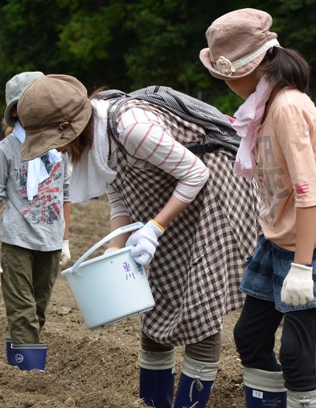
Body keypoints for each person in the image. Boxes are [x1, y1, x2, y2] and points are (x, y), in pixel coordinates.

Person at [16, 75, 262, 407]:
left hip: (212, 199)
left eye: (51, 141)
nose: (53, 149)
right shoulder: (99, 139)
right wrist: (113, 253)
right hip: (168, 201)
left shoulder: (131, 127)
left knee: (198, 311)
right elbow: (121, 201)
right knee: (152, 311)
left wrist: (155, 228)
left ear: (68, 126)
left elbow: (195, 174)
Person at [200, 8, 316, 408]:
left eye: (225, 76)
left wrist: (304, 267)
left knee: (295, 353)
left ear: (249, 69)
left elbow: (307, 193)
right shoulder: (262, 108)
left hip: (313, 245)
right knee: (250, 338)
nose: (225, 84)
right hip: (277, 241)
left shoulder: (288, 107)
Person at [0, 72, 72, 372]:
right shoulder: (6, 151)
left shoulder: (59, 150)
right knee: (23, 312)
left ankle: (21, 366)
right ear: (17, 110)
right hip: (18, 241)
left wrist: (66, 239)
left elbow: (65, 194)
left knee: (39, 310)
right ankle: (29, 378)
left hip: (51, 241)